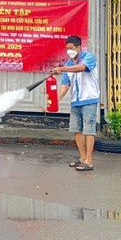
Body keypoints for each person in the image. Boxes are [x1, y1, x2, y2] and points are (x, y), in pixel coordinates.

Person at [50, 35, 100, 172]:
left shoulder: (88, 57)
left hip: (89, 99)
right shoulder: (68, 64)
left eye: (71, 48)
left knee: (89, 130)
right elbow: (65, 85)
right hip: (75, 101)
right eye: (67, 49)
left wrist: (62, 69)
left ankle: (89, 161)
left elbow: (81, 68)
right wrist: (56, 100)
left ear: (78, 47)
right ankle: (83, 158)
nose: (69, 51)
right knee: (77, 130)